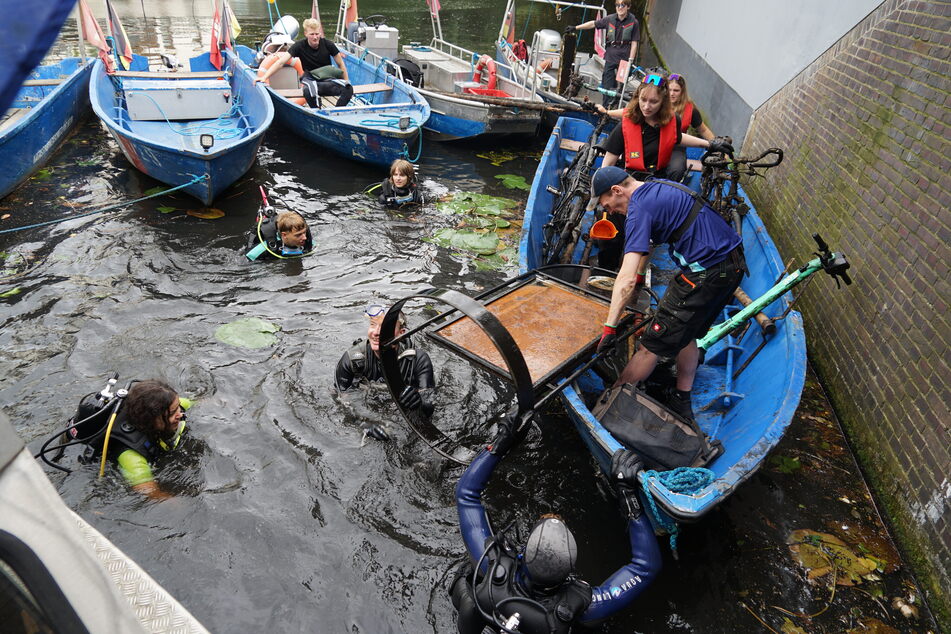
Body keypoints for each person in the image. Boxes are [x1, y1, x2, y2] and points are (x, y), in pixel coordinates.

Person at [450, 414, 661, 633]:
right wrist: (628, 497)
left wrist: (500, 442)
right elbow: (645, 567)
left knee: (467, 582)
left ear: (522, 554)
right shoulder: (583, 605)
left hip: (488, 614)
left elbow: (466, 494)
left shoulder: (491, 565)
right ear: (570, 569)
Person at [591, 165, 745, 422]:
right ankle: (681, 396)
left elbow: (625, 279)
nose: (611, 212)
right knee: (689, 333)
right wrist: (642, 274)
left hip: (704, 274)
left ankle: (612, 405)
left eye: (609, 206)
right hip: (733, 266)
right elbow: (647, 246)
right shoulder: (659, 186)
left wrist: (610, 327)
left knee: (650, 346)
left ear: (617, 190)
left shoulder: (638, 209)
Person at [597, 73, 732, 182]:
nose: (646, 106)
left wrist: (710, 144)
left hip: (657, 181)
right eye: (643, 100)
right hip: (631, 182)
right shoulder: (625, 126)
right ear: (638, 97)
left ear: (663, 101)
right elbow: (608, 164)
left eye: (654, 102)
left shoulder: (673, 120)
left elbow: (677, 138)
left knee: (677, 171)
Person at [73, 379, 191, 500]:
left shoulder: (167, 405)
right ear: (150, 418)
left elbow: (192, 403)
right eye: (173, 412)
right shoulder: (131, 454)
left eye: (177, 408)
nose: (180, 414)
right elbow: (148, 490)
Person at [334, 304, 435, 441]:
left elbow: (430, 404)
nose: (375, 332)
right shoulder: (352, 360)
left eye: (384, 327)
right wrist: (363, 423)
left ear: (401, 333)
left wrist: (419, 404)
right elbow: (339, 399)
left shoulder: (419, 360)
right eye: (373, 325)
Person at [256, 18, 353, 108]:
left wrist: (346, 81)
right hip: (311, 79)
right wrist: (264, 77)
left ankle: (337, 111)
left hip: (327, 80)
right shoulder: (299, 46)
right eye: (312, 34)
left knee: (349, 89)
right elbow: (280, 62)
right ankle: (317, 111)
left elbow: (340, 64)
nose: (315, 37)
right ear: (306, 34)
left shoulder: (328, 44)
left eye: (317, 34)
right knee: (307, 91)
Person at [566, 0, 639, 106]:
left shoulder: (634, 22)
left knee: (620, 88)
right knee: (606, 85)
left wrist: (630, 62)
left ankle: (615, 106)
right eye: (617, 5)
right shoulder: (610, 19)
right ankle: (605, 108)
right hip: (610, 56)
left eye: (622, 5)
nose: (619, 7)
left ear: (628, 7)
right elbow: (593, 24)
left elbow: (634, 44)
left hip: (624, 59)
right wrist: (575, 27)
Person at [246, 209, 314, 261]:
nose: (304, 237)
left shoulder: (307, 241)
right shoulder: (265, 247)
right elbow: (247, 257)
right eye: (298, 235)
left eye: (304, 232)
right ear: (284, 235)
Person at [666, 73, 715, 140]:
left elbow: (704, 130)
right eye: (669, 90)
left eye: (676, 90)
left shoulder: (690, 110)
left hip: (677, 145)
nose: (672, 94)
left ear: (682, 92)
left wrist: (716, 143)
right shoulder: (658, 103)